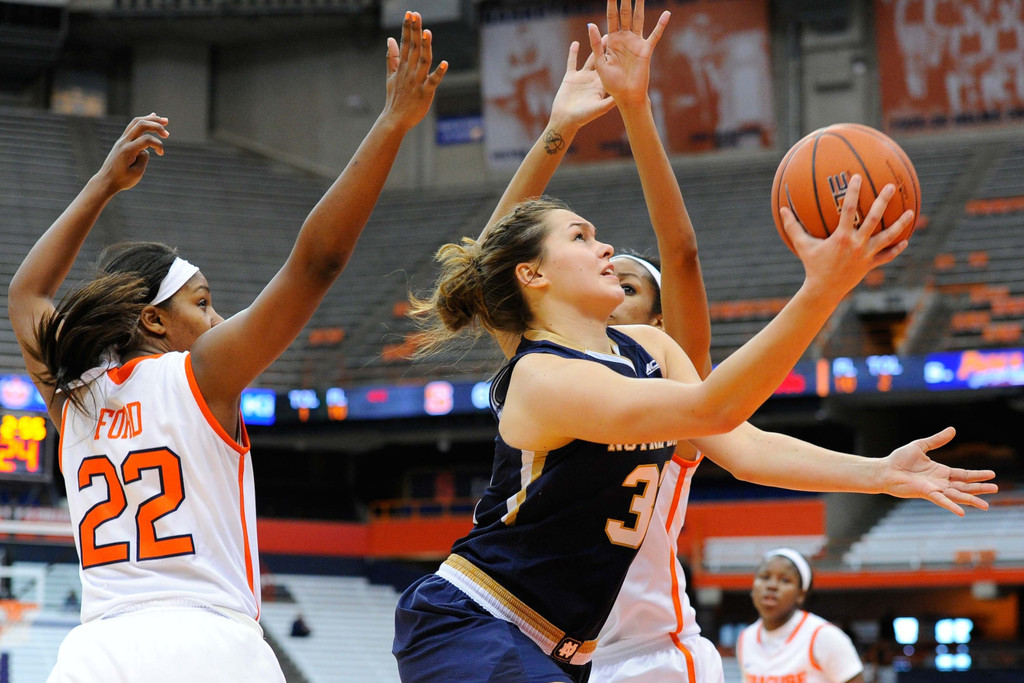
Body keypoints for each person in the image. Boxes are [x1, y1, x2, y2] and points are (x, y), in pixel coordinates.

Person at [391, 3, 995, 681]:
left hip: (565, 649)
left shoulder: (654, 356)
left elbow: (745, 442)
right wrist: (821, 290)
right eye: (581, 237)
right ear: (533, 277)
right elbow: (498, 258)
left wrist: (879, 471)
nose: (607, 246)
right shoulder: (540, 372)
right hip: (478, 619)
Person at [8, 12, 445, 683]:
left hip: (95, 654)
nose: (218, 319)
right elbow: (316, 263)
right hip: (207, 644)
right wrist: (390, 124)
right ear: (154, 322)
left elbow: (26, 295)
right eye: (203, 301)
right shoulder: (202, 374)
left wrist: (102, 184)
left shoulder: (75, 401)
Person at [470, 4, 720, 679]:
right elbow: (490, 268)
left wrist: (638, 110)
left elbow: (685, 254)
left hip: (649, 656)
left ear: (662, 326)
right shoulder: (557, 369)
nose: (615, 293)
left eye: (632, 292)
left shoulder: (669, 376)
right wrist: (557, 132)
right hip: (549, 643)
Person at [737, 548, 864, 683]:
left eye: (785, 580)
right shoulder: (746, 638)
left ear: (801, 595)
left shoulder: (823, 636)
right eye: (765, 577)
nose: (772, 585)